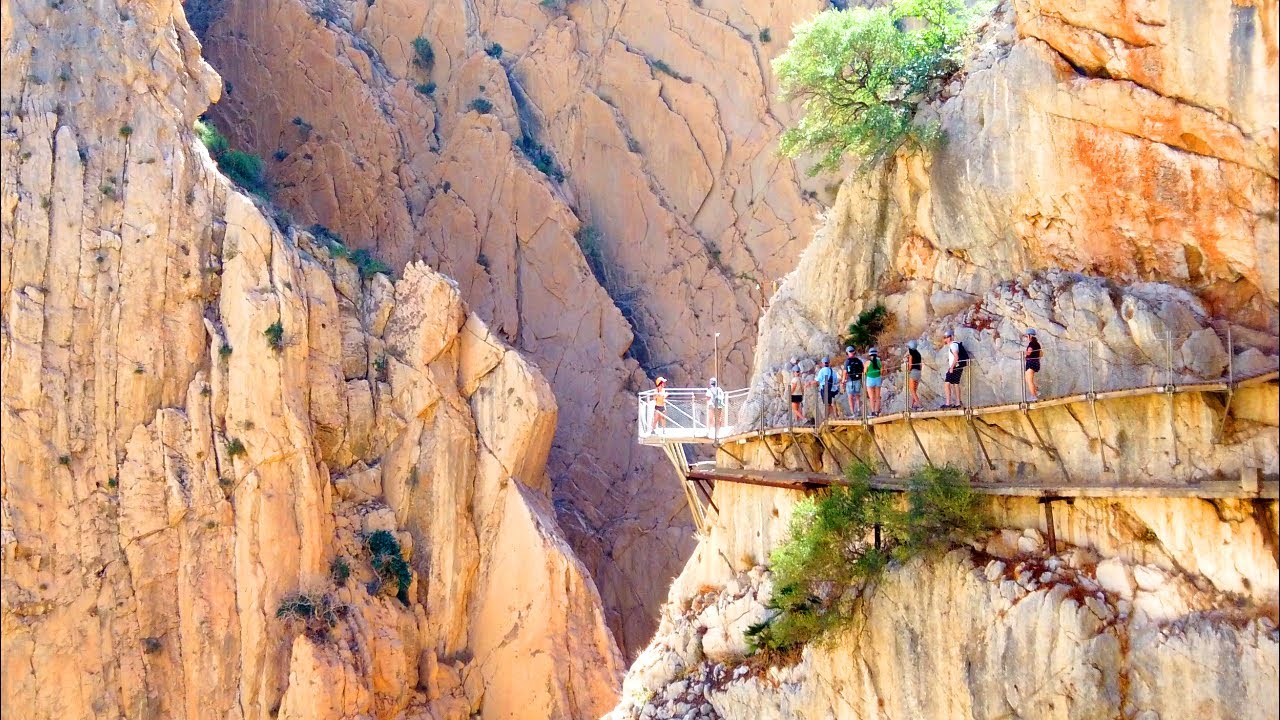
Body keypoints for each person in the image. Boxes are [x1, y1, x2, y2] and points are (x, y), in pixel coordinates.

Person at [941, 329, 968, 409]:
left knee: (947, 384)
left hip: (955, 367)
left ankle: (948, 403)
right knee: (956, 384)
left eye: (947, 337)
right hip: (959, 366)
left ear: (951, 337)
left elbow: (956, 357)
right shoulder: (956, 344)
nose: (946, 339)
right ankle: (957, 403)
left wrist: (951, 367)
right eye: (945, 337)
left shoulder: (953, 345)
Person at [841, 346, 863, 419]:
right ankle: (859, 410)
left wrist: (843, 381)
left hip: (850, 380)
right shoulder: (858, 361)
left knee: (850, 397)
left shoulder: (847, 361)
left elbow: (845, 372)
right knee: (857, 396)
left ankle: (853, 413)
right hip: (858, 380)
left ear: (847, 353)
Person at [815, 356, 839, 424]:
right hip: (831, 390)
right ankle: (833, 417)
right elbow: (836, 380)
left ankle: (826, 418)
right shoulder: (832, 371)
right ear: (829, 363)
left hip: (824, 389)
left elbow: (818, 379)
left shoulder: (822, 370)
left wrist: (810, 383)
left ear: (822, 363)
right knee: (830, 404)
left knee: (827, 404)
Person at [1023, 328, 1042, 402]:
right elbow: (1041, 354)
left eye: (1027, 336)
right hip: (1035, 362)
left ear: (1030, 336)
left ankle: (1034, 396)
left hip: (1031, 363)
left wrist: (1023, 353)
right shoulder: (1037, 343)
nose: (1026, 337)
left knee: (1029, 380)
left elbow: (1029, 352)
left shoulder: (1031, 344)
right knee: (1027, 379)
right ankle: (1036, 391)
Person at [905, 341, 923, 411]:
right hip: (919, 372)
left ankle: (919, 404)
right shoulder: (918, 354)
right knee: (915, 390)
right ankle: (914, 405)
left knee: (912, 390)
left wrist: (908, 371)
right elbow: (920, 365)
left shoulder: (911, 355)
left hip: (913, 372)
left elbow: (910, 365)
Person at [865, 348, 883, 416]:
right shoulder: (879, 361)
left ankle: (873, 412)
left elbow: (865, 372)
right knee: (878, 397)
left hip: (870, 379)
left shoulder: (867, 362)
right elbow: (881, 371)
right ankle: (877, 411)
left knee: (871, 397)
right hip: (877, 379)